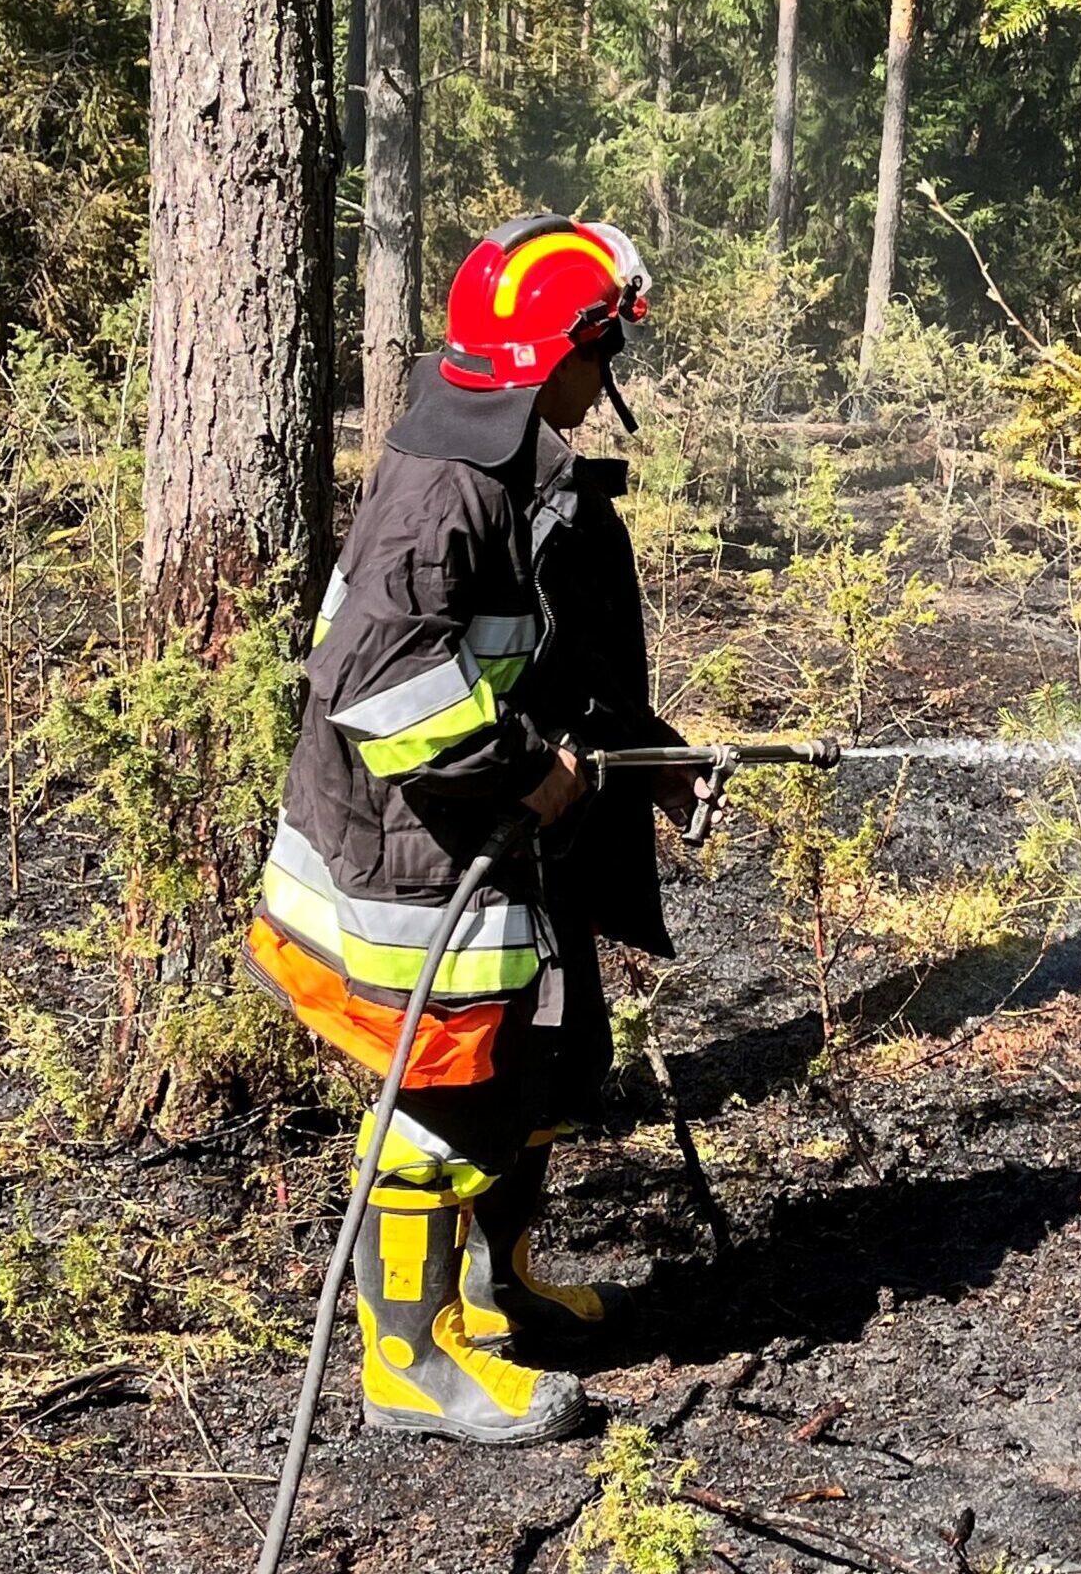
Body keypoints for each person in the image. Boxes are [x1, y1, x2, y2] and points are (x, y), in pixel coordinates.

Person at [245, 215, 700, 1445]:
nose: (609, 386)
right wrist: (521, 781)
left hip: (500, 848)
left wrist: (648, 760)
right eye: (605, 356)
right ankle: (408, 1364)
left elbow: (552, 658)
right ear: (564, 353)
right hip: (417, 858)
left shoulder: (514, 466)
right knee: (443, 1103)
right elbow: (378, 689)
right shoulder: (446, 492)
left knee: (538, 1072)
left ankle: (499, 1291)